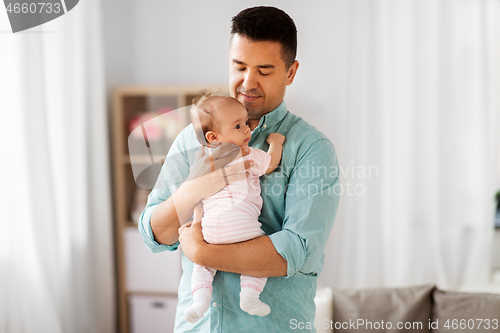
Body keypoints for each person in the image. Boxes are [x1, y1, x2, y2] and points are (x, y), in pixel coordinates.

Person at [138, 6, 340, 332]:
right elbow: (154, 234)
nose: (248, 82)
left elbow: (294, 252)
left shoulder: (312, 149)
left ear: (290, 72)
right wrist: (193, 188)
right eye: (239, 66)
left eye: (264, 70)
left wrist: (203, 253)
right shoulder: (194, 137)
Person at [184, 93, 285, 323]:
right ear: (214, 136)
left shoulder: (203, 160)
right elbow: (270, 164)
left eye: (246, 123)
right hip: (242, 229)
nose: (247, 130)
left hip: (208, 231)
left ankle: (200, 299)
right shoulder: (245, 153)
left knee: (201, 264)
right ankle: (249, 295)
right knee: (259, 254)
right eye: (238, 126)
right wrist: (276, 143)